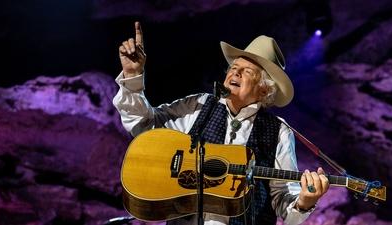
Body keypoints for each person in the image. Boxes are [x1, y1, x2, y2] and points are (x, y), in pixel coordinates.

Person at [113, 22, 329, 225]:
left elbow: (283, 201)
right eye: (234, 68)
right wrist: (133, 77)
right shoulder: (198, 105)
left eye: (247, 71)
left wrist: (305, 202)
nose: (234, 72)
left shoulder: (278, 131)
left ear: (264, 89)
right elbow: (143, 125)